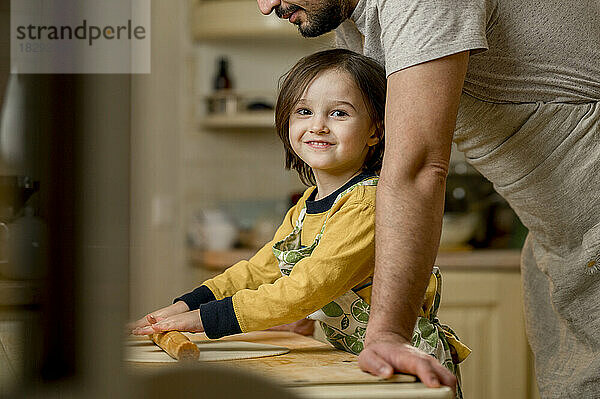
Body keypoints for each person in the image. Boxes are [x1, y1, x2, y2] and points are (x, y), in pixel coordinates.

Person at [256, 0, 600, 397]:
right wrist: (302, 302)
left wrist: (388, 335)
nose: (266, 6)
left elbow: (416, 169)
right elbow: (370, 179)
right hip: (558, 241)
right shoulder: (357, 22)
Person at [130, 49, 470, 396]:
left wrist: (205, 320)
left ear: (374, 131)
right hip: (360, 361)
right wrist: (185, 304)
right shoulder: (306, 206)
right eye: (304, 111)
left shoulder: (367, 203)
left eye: (339, 113)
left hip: (407, 364)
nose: (318, 125)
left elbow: (307, 289)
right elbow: (258, 270)